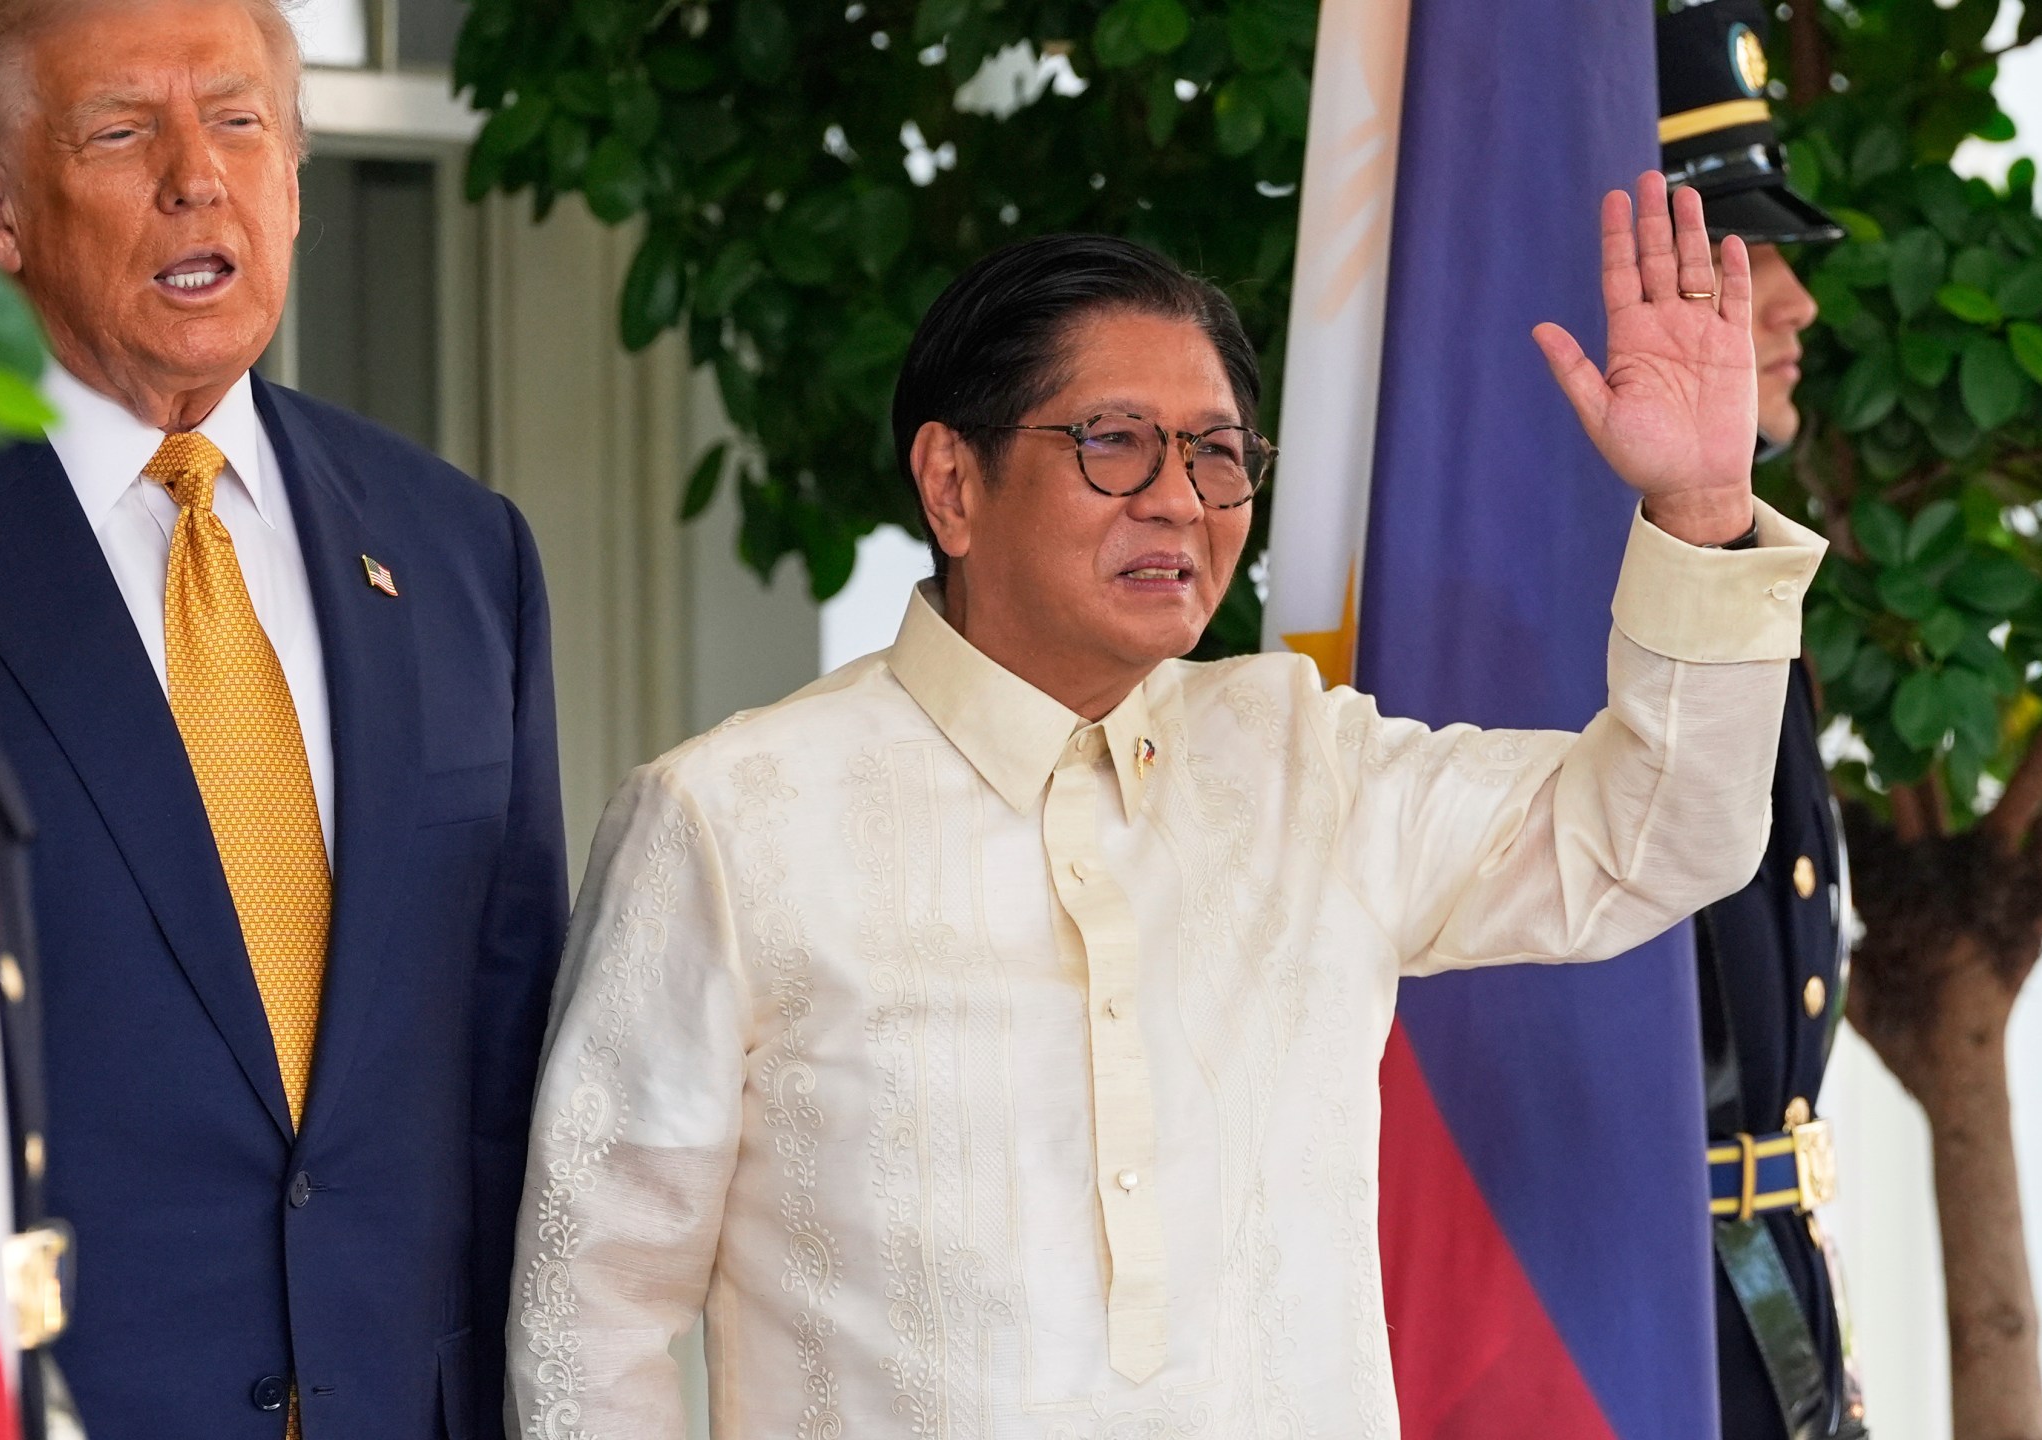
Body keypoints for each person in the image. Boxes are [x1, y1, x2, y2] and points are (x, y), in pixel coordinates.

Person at [508, 177, 1826, 1434]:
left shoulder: (1305, 765)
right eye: (1115, 444)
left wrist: (1702, 512)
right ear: (953, 484)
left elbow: (1661, 837)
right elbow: (593, 1311)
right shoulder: (731, 821)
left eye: (1216, 455)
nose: (1181, 502)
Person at [0, 1, 569, 1435]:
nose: (196, 176)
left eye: (238, 123)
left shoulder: (461, 550)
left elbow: (506, 1071)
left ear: (292, 180)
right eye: (120, 133)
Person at [1659, 2, 1865, 1435]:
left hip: (1748, 1287)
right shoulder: (1599, 590)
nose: (1793, 305)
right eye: (1738, 257)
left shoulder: (1716, 567)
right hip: (1643, 1310)